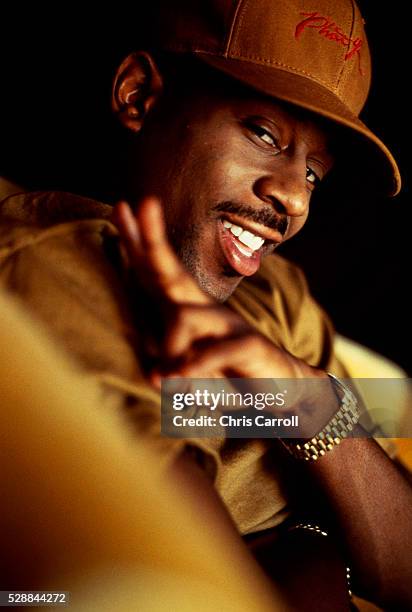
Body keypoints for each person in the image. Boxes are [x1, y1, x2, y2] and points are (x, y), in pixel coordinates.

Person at [0, 0, 411, 608]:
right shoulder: (57, 266)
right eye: (264, 134)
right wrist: (317, 541)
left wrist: (308, 398)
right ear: (140, 95)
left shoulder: (279, 294)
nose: (295, 199)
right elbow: (194, 591)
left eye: (316, 174)